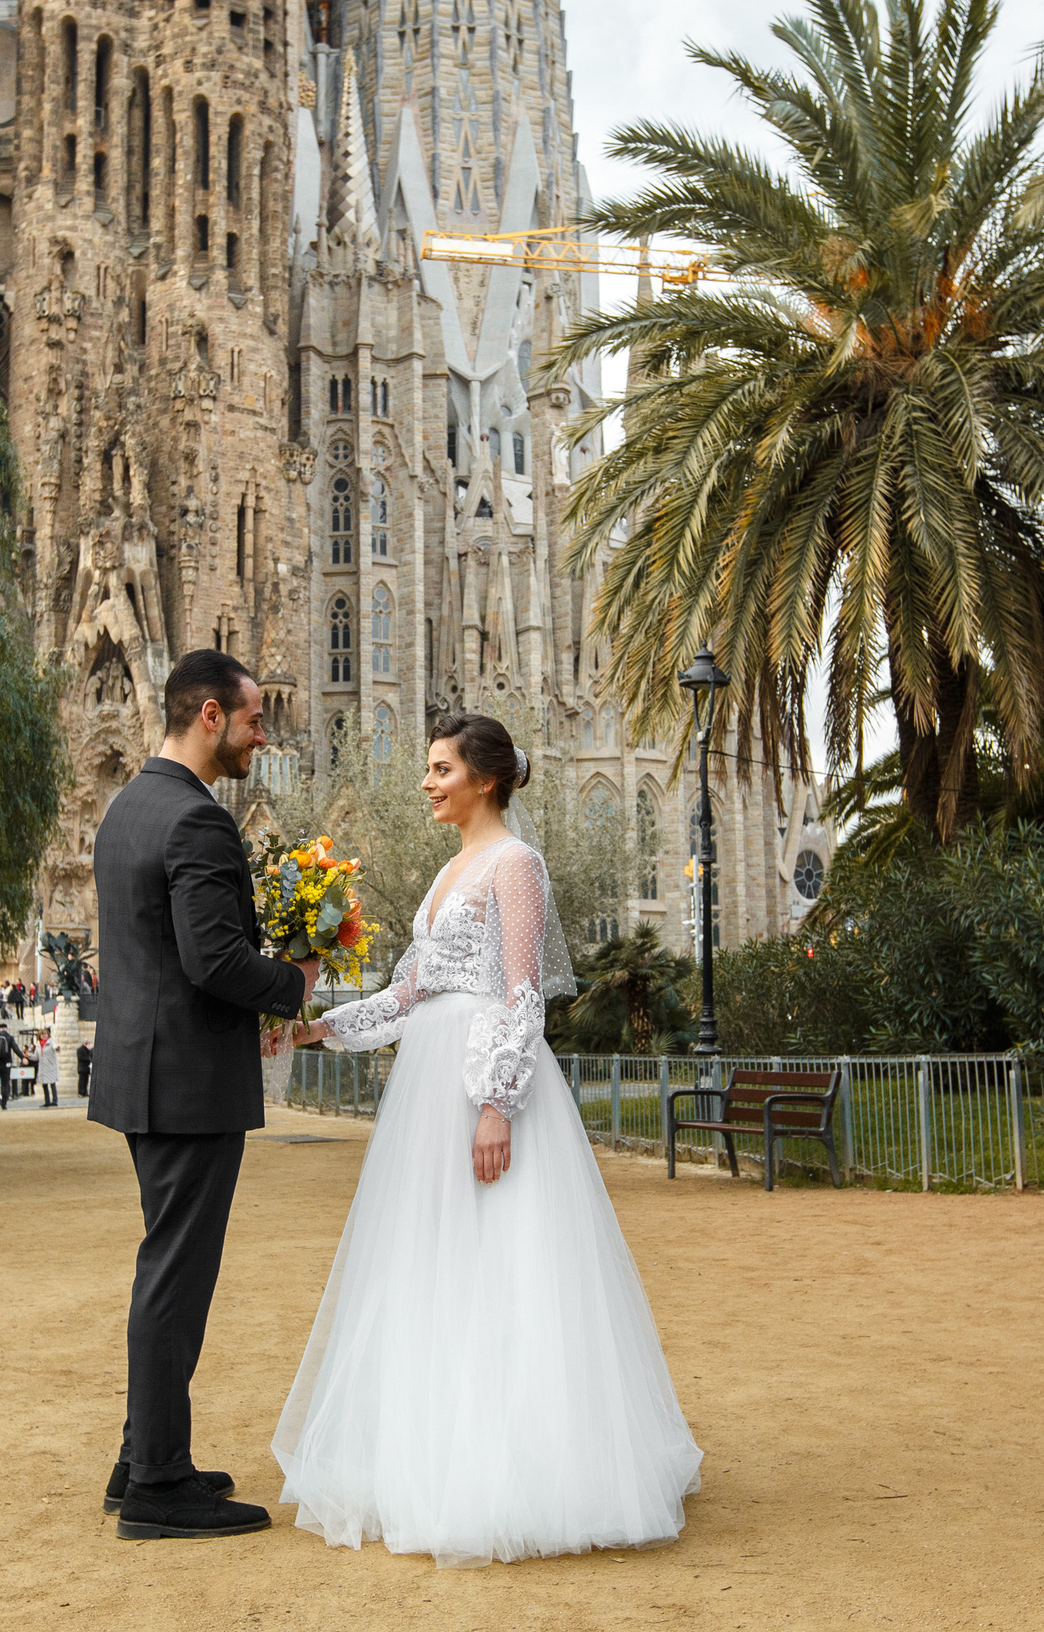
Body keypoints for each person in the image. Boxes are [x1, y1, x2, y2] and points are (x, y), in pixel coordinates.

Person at [273, 713, 702, 1566]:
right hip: (427, 1085)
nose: (427, 782)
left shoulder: (515, 863)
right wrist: (315, 1028)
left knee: (507, 1257)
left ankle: (527, 1469)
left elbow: (520, 993)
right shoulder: (446, 872)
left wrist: (498, 1102)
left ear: (486, 778)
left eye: (441, 769)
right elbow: (408, 994)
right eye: (430, 769)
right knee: (432, 1258)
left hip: (480, 1080)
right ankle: (430, 1454)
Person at [90, 649, 319, 1541]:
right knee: (176, 1277)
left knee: (167, 1266)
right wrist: (294, 981)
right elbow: (213, 959)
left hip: (144, 1075)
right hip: (186, 1084)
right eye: (255, 719)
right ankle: (156, 1483)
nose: (265, 734)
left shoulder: (129, 808)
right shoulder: (197, 819)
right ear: (211, 715)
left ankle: (143, 1455)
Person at [33, 1026, 60, 1109]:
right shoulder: (38, 1044)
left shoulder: (51, 1041)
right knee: (44, 1084)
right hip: (43, 1067)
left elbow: (55, 1047)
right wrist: (28, 1055)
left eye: (45, 1034)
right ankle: (47, 1101)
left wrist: (57, 1048)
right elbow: (36, 1057)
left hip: (50, 1066)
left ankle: (55, 1101)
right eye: (42, 1034)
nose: (44, 1035)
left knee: (52, 1083)